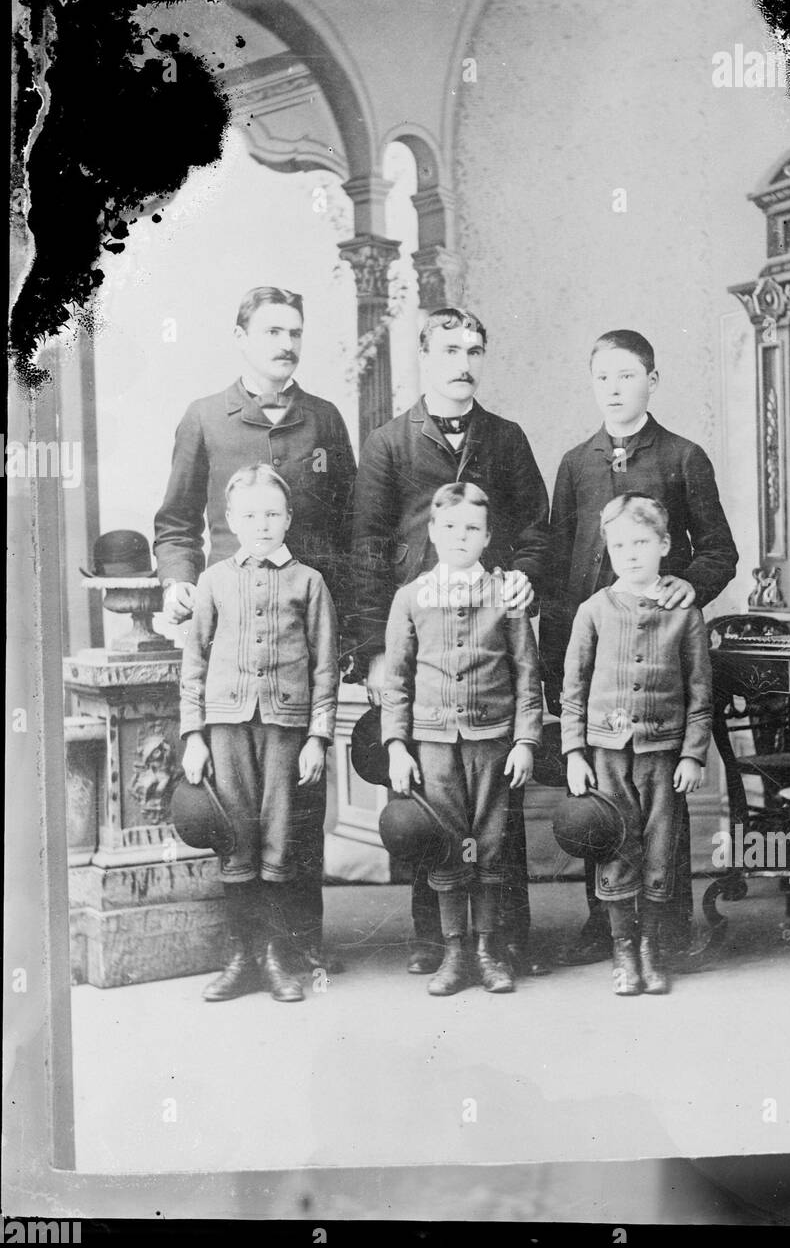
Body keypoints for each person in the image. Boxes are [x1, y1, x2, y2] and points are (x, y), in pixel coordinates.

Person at [155, 286, 356, 972]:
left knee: (297, 811)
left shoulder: (325, 419)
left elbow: (350, 529)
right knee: (239, 814)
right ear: (240, 335)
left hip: (303, 639)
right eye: (271, 330)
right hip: (229, 639)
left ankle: (297, 953)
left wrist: (348, 636)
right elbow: (176, 523)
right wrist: (180, 579)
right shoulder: (205, 418)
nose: (286, 343)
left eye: (296, 331)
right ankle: (244, 953)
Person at [348, 307, 551, 976]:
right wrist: (377, 649)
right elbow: (369, 549)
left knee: (495, 800)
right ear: (424, 358)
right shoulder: (388, 443)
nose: (463, 363)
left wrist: (522, 577)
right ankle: (432, 939)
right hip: (420, 640)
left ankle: (505, 936)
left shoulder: (507, 437)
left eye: (475, 350)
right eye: (449, 350)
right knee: (426, 797)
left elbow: (538, 531)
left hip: (488, 636)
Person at [541, 329, 737, 962]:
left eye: (627, 376)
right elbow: (558, 560)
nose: (615, 389)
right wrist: (558, 653)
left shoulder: (683, 456)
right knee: (603, 793)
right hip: (594, 654)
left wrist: (689, 586)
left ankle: (667, 929)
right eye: (603, 378)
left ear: (653, 379)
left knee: (659, 802)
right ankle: (606, 924)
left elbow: (719, 552)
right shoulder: (576, 461)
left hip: (658, 659)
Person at [179, 465, 340, 1003]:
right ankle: (239, 957)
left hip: (286, 728)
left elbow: (324, 667)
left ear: (289, 518)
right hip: (225, 727)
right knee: (235, 835)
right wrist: (193, 735)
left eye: (273, 513)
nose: (262, 524)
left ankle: (276, 957)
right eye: (250, 515)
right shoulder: (213, 581)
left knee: (279, 836)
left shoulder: (309, 582)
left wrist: (318, 735)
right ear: (230, 520)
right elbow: (194, 664)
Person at [382, 483, 543, 996]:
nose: (460, 537)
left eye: (472, 528)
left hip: (492, 741)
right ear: (431, 532)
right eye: (449, 527)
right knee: (450, 845)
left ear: (488, 536)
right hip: (433, 744)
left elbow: (527, 676)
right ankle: (453, 951)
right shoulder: (410, 597)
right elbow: (398, 681)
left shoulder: (506, 596)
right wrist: (397, 746)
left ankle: (488, 950)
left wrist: (525, 741)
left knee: (490, 844)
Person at [560, 494, 713, 995]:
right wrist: (574, 753)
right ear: (607, 546)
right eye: (620, 543)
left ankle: (652, 948)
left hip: (663, 754)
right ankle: (623, 949)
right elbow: (573, 690)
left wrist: (692, 753)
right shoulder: (594, 610)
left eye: (642, 542)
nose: (630, 553)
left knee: (660, 848)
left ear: (665, 545)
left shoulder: (685, 615)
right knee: (616, 845)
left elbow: (699, 692)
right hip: (606, 753)